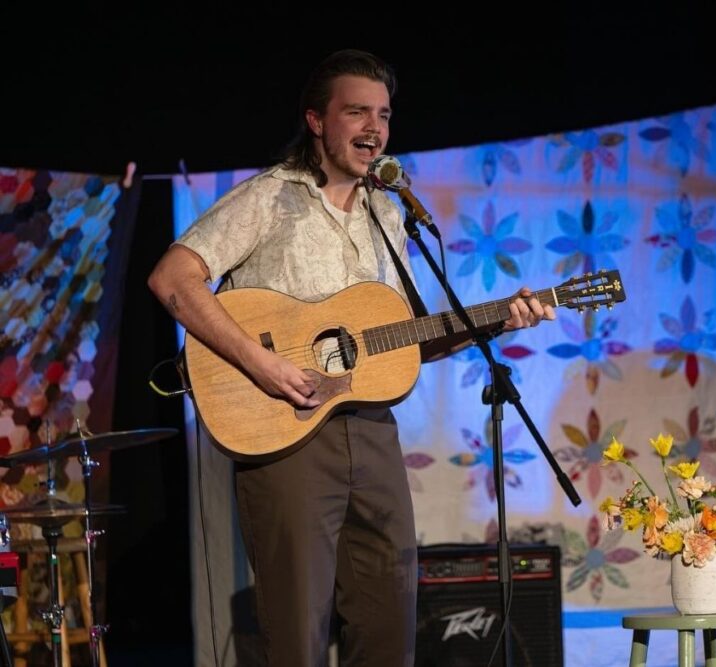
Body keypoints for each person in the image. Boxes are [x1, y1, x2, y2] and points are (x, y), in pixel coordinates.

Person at [147, 49, 555, 666]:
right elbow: (174, 279)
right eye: (356, 111)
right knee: (297, 637)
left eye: (384, 115)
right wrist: (264, 365)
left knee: (390, 625)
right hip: (287, 434)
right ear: (316, 120)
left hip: (373, 434)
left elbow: (406, 338)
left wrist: (495, 321)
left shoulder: (388, 214)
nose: (374, 128)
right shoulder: (268, 197)